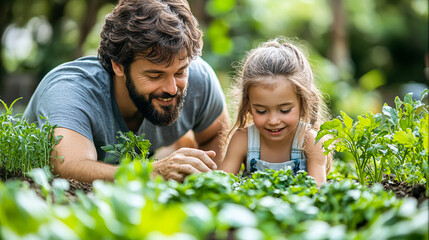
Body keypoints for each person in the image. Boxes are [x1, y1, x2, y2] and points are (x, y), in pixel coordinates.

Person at [23, 0, 230, 183]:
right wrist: (152, 172)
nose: (171, 88)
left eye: (180, 72)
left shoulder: (199, 78)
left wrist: (203, 180)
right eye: (154, 75)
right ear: (118, 66)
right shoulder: (70, 91)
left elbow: (216, 133)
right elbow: (70, 166)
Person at [219, 37, 331, 186]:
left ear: (304, 103)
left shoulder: (311, 142)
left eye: (284, 110)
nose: (273, 121)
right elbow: (221, 184)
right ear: (248, 106)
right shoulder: (243, 140)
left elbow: (318, 191)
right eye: (261, 111)